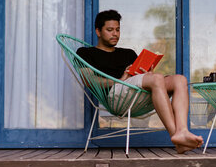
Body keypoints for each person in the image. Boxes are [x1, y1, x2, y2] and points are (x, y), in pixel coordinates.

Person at [77, 9, 203, 154]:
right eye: (110, 30)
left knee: (180, 80)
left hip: (136, 94)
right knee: (156, 79)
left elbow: (143, 79)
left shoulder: (128, 53)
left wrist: (147, 73)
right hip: (115, 97)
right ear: (98, 32)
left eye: (118, 30)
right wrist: (120, 79)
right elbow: (89, 81)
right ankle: (176, 135)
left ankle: (182, 130)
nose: (115, 34)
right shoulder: (86, 53)